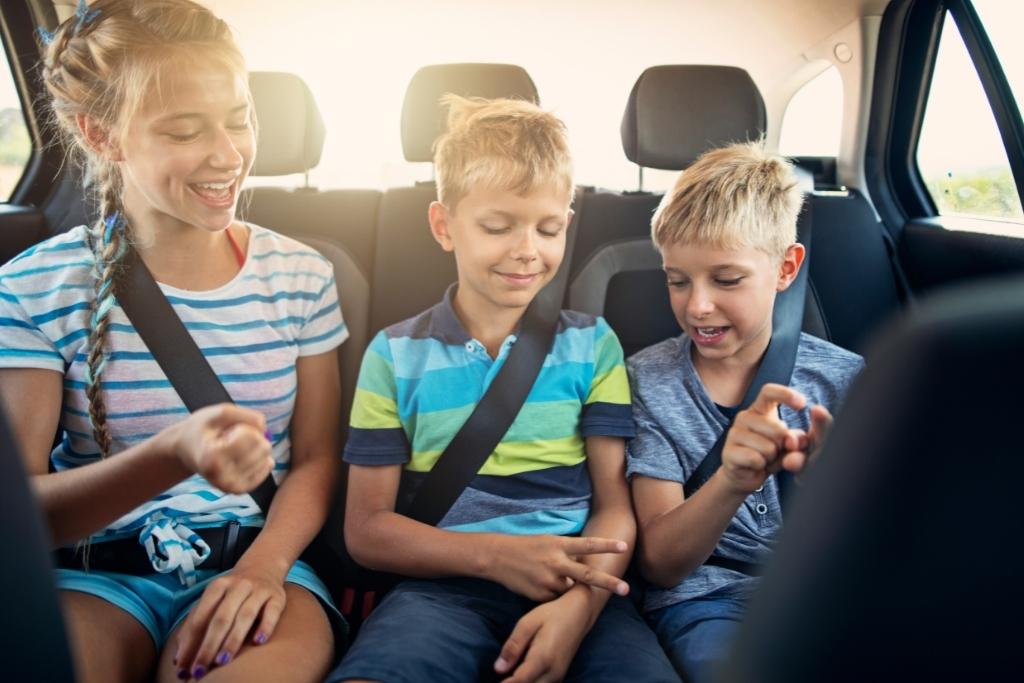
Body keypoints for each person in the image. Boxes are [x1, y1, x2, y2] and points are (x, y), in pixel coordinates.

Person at [0, 2, 346, 681]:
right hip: (93, 576)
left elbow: (315, 458)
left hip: (258, 555)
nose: (228, 154)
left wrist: (264, 568)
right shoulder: (33, 287)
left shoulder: (302, 275)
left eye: (240, 118)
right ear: (103, 136)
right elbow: (21, 510)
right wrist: (171, 455)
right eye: (186, 130)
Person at [328, 95, 679, 683]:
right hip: (442, 592)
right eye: (497, 226)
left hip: (577, 585)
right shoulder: (394, 355)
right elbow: (366, 531)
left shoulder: (593, 345)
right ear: (444, 226)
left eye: (547, 228)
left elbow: (615, 508)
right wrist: (496, 557)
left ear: (567, 225)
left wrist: (578, 609)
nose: (526, 250)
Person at [626, 141, 865, 682]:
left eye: (726, 279)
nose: (697, 305)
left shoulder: (846, 379)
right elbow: (661, 564)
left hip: (830, 590)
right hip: (707, 599)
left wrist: (839, 485)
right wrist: (731, 479)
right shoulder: (648, 383)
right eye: (677, 280)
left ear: (785, 268)